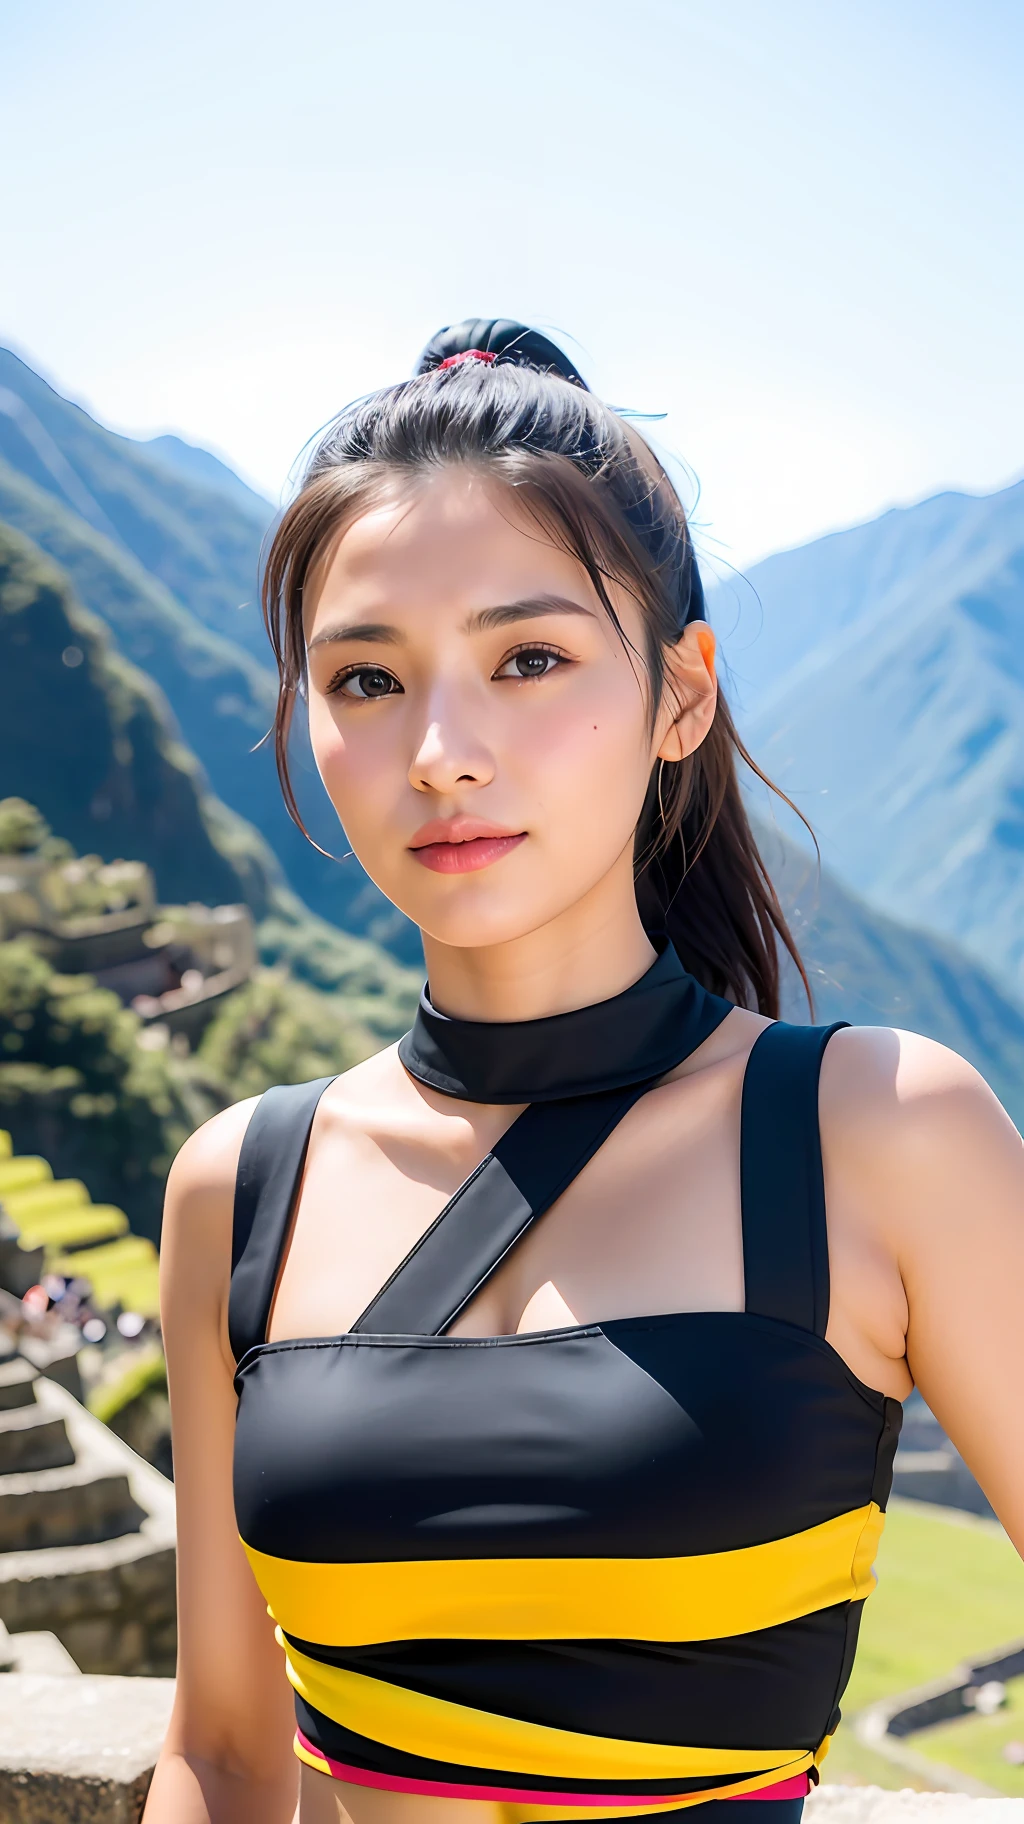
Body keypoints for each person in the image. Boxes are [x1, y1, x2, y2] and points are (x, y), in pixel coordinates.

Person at [144, 320, 1024, 1824]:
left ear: (683, 695)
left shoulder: (879, 1136)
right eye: (367, 679)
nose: (439, 749)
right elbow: (224, 1755)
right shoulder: (241, 1189)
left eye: (528, 658)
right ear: (305, 721)